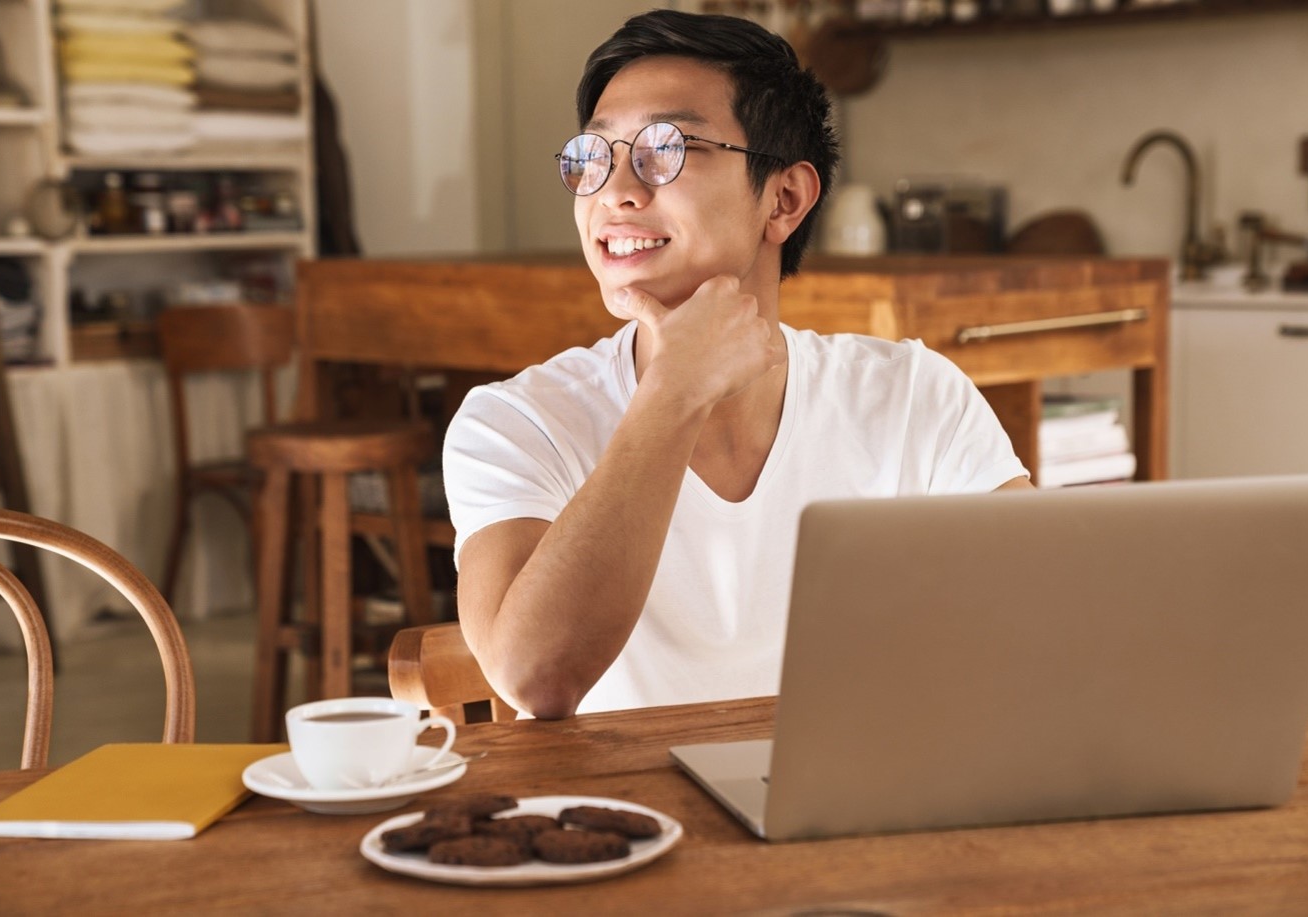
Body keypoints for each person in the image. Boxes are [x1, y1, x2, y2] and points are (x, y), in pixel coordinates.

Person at [442, 8, 1031, 719]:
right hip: (628, 819)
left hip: (859, 816)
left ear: (783, 199)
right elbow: (533, 677)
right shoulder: (516, 422)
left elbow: (1040, 620)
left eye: (666, 149)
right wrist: (672, 393)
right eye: (593, 156)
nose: (617, 192)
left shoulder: (912, 396)